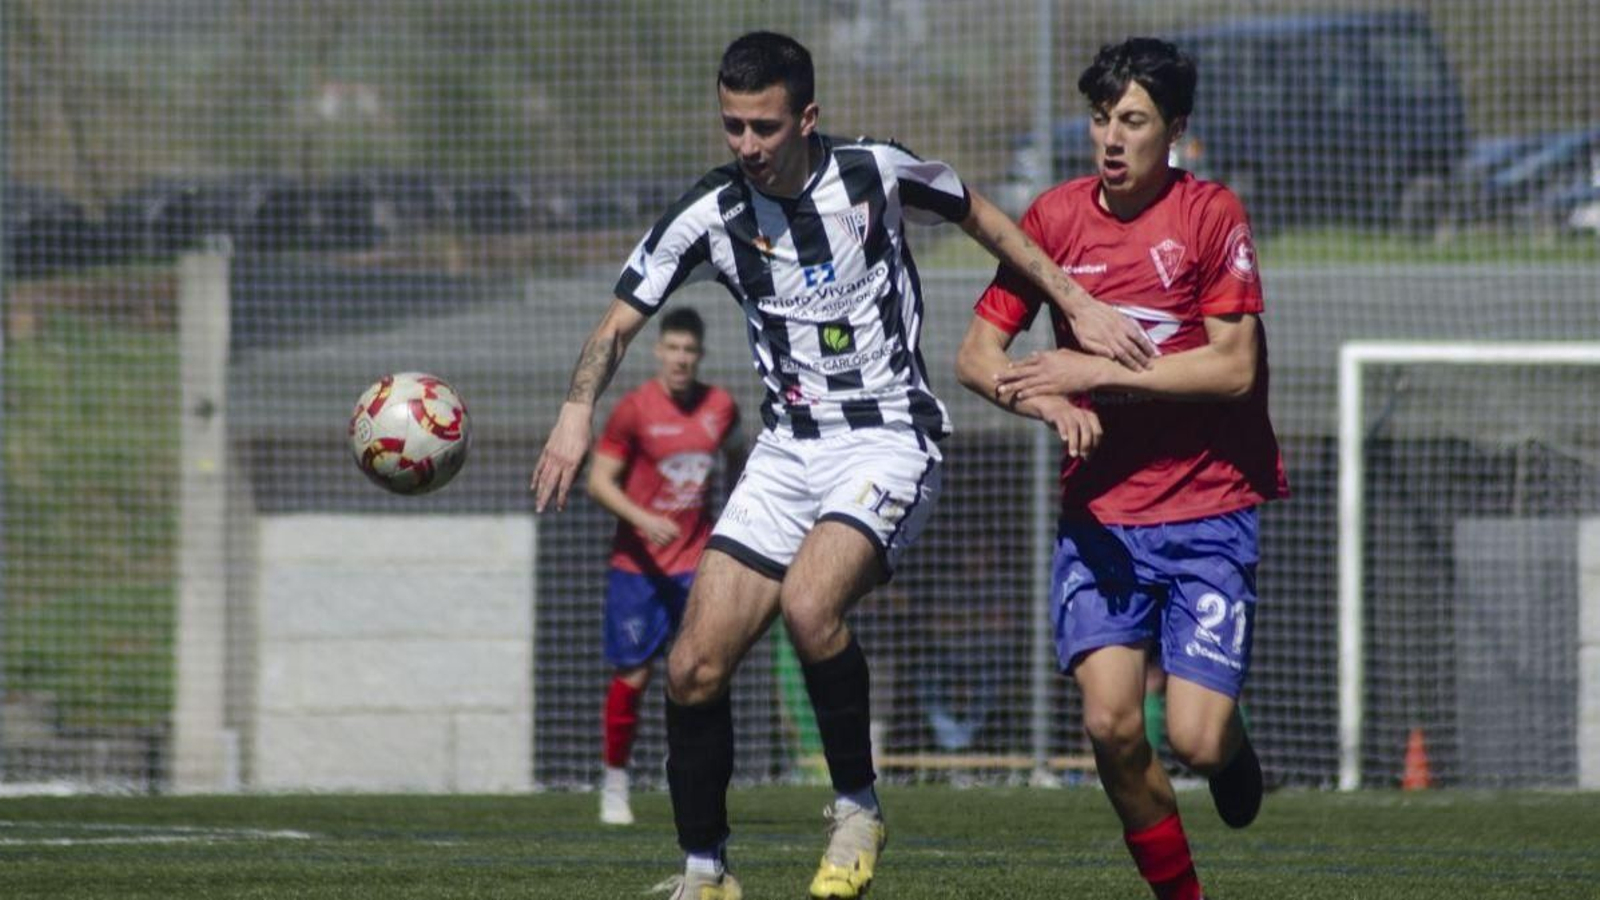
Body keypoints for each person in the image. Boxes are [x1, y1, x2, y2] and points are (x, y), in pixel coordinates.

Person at [532, 31, 1153, 900]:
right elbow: (618, 322)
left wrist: (1076, 302)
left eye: (763, 126)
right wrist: (573, 413)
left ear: (807, 118)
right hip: (787, 452)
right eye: (732, 126)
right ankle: (705, 874)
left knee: (809, 602)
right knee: (691, 669)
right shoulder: (711, 213)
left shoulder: (875, 174)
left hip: (891, 436)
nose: (746, 145)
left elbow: (985, 214)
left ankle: (857, 810)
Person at [956, 37, 1288, 900]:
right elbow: (976, 355)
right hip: (1103, 519)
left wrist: (1093, 369)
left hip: (1209, 510)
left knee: (1198, 742)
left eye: (1132, 120)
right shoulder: (1056, 220)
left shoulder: (1212, 215)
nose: (1111, 137)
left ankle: (1232, 743)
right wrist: (1047, 402)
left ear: (1173, 128)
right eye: (1102, 117)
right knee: (1109, 723)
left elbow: (1232, 370)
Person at [587, 307, 744, 826]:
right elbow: (599, 481)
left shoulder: (721, 407)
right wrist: (643, 518)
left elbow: (742, 462)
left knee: (705, 673)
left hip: (695, 565)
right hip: (638, 568)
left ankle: (693, 780)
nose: (680, 359)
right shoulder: (633, 410)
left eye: (689, 351)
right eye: (672, 349)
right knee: (634, 675)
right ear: (658, 351)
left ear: (700, 356)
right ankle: (614, 784)